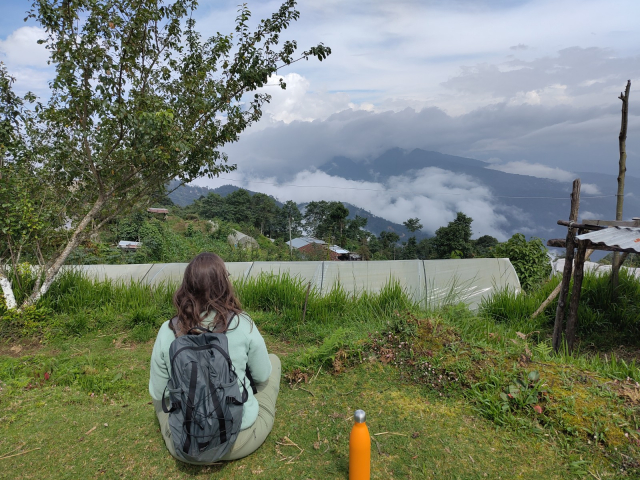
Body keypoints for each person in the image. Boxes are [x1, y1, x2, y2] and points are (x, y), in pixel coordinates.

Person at [148, 252, 281, 462]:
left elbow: (158, 391)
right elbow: (263, 375)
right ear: (224, 284)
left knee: (159, 401)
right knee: (273, 362)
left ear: (186, 286)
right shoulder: (241, 322)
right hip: (241, 440)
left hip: (185, 446)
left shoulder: (169, 330)